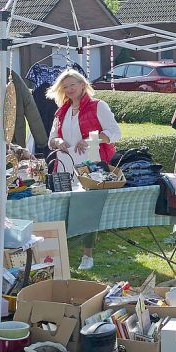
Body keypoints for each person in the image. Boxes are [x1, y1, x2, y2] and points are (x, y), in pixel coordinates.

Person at [46, 70, 122, 270]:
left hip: (92, 166)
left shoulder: (98, 106)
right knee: (61, 209)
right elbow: (51, 140)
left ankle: (87, 256)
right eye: (66, 86)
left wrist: (89, 140)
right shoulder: (61, 111)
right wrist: (58, 141)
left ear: (82, 84)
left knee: (89, 208)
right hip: (64, 166)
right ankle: (59, 254)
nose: (70, 89)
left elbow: (115, 133)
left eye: (73, 85)